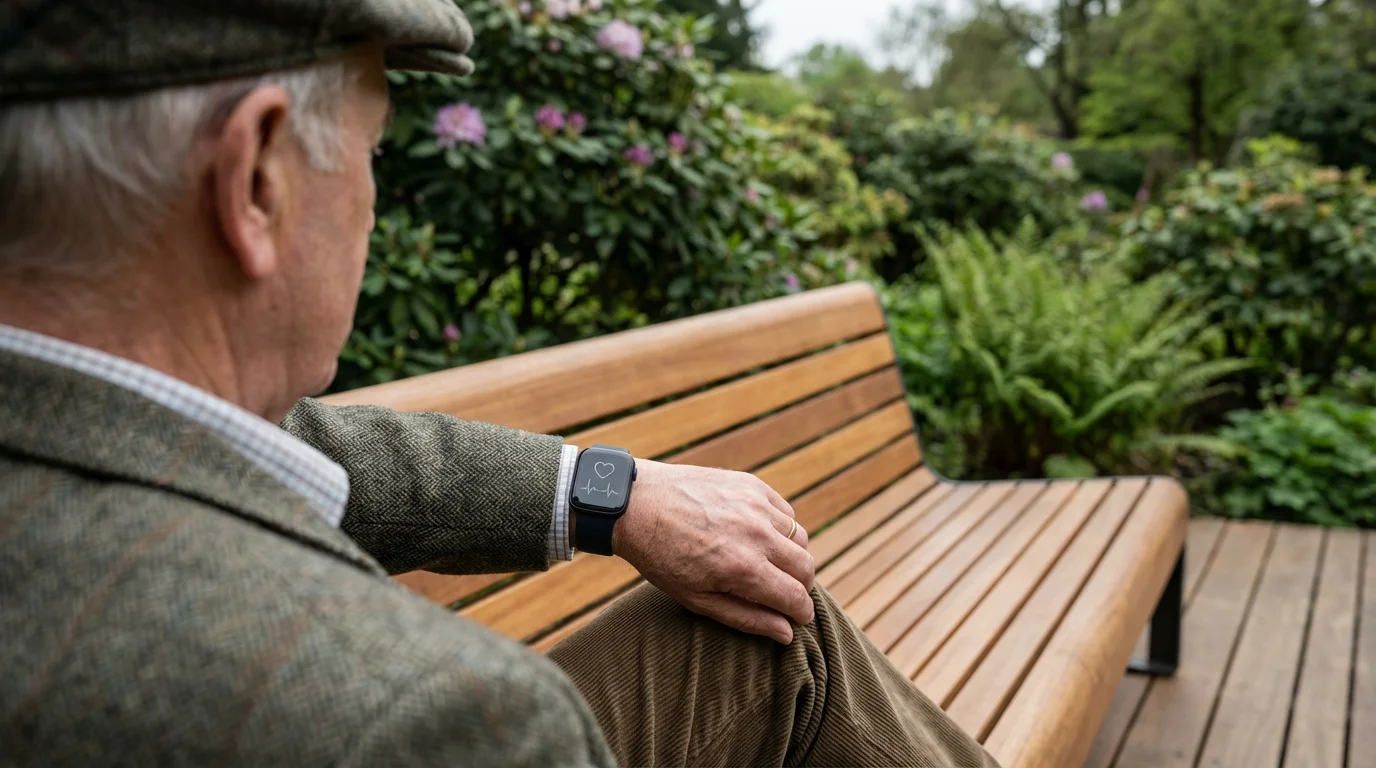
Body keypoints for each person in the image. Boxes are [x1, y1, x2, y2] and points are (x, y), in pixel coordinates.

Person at [0, 2, 998, 766]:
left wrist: (607, 494)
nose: (373, 205)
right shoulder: (440, 722)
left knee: (752, 642)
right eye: (371, 152)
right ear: (256, 178)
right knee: (780, 627)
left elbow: (309, 449)